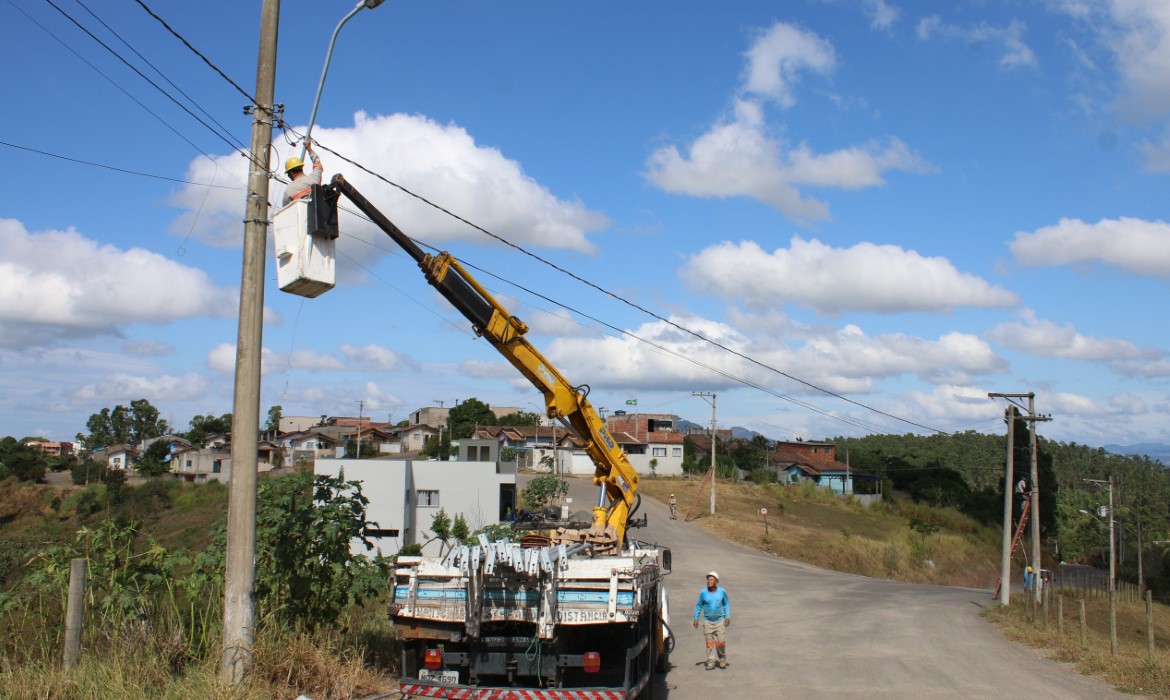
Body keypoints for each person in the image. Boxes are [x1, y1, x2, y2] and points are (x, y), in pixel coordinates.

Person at [693, 571, 730, 670]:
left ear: (716, 581)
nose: (709, 581)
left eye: (711, 579)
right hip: (708, 622)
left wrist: (727, 617)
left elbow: (726, 604)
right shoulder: (703, 593)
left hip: (719, 621)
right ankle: (711, 661)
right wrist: (696, 618)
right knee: (709, 643)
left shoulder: (722, 592)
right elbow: (699, 605)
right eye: (708, 579)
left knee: (721, 642)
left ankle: (722, 658)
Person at [282, 137, 324, 206]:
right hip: (320, 214)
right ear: (301, 168)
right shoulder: (314, 178)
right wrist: (309, 149)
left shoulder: (288, 191)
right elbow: (317, 163)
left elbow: (285, 210)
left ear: (290, 173)